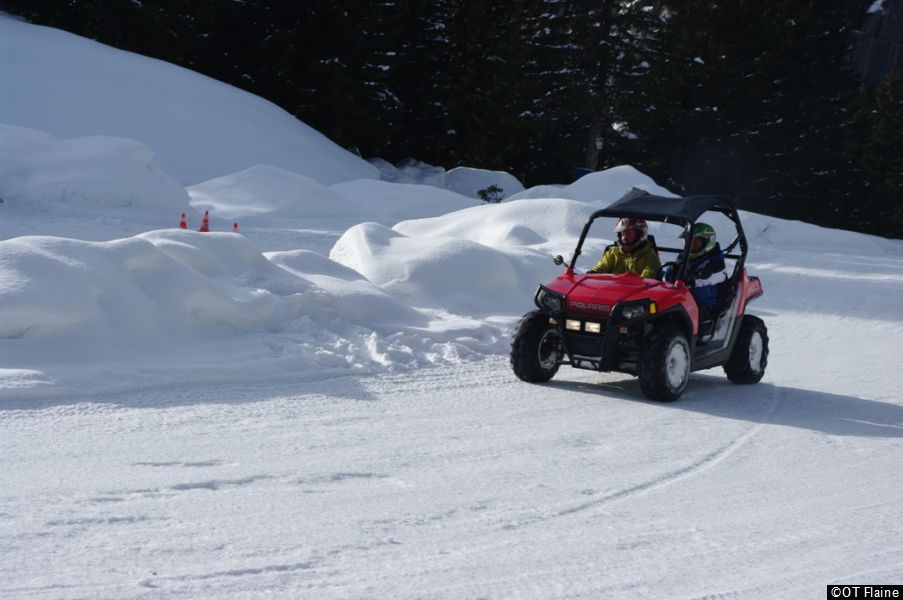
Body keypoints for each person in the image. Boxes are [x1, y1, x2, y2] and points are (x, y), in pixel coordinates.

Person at [664, 222, 728, 318]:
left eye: (695, 243)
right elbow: (672, 271)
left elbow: (715, 277)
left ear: (708, 242)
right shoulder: (683, 256)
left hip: (706, 303)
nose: (691, 246)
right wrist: (669, 275)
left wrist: (693, 282)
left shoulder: (716, 263)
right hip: (685, 298)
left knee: (678, 317)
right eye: (689, 242)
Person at [589, 217, 661, 278]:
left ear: (640, 235)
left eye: (629, 234)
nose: (624, 238)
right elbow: (599, 269)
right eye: (623, 234)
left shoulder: (649, 257)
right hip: (611, 291)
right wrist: (591, 274)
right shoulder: (613, 253)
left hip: (637, 293)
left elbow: (647, 280)